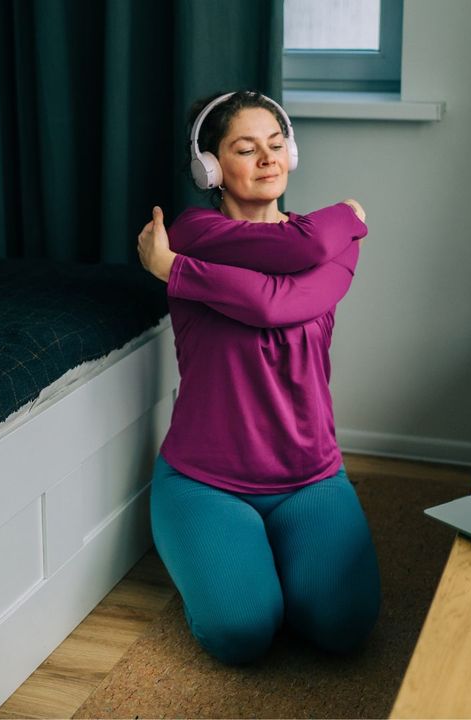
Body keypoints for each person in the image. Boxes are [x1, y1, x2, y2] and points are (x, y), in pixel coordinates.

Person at [134, 90, 380, 666]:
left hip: (310, 476)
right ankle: (225, 561)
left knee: (344, 627)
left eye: (276, 145)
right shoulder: (193, 234)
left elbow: (281, 294)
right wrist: (349, 214)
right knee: (240, 635)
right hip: (205, 481)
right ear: (211, 169)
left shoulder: (326, 243)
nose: (268, 159)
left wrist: (175, 273)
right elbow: (278, 293)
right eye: (246, 149)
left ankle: (276, 564)